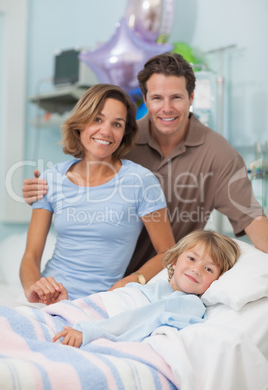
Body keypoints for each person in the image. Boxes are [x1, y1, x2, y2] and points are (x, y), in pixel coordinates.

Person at [22, 53, 268, 278]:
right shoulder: (119, 138)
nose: (167, 108)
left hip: (166, 278)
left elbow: (253, 220)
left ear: (191, 98)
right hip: (106, 280)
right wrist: (42, 190)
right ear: (146, 99)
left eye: (177, 98)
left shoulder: (219, 155)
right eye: (157, 98)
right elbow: (81, 180)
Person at [20, 84, 175, 305]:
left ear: (124, 133)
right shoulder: (51, 178)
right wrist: (34, 290)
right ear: (80, 123)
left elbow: (167, 252)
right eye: (97, 119)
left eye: (117, 124)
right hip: (48, 299)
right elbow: (31, 256)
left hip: (102, 303)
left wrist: (133, 281)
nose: (106, 131)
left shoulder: (141, 181)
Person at [51, 230, 240, 348]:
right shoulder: (154, 287)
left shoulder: (189, 304)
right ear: (174, 261)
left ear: (216, 280)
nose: (196, 269)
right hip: (84, 317)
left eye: (208, 269)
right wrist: (67, 306)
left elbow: (138, 320)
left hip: (92, 329)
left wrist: (90, 331)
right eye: (191, 258)